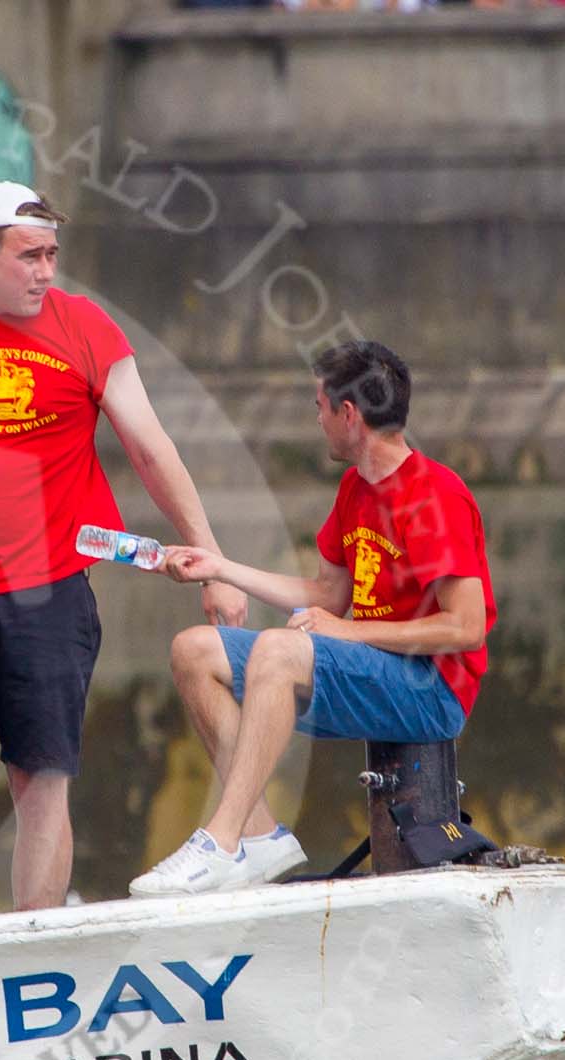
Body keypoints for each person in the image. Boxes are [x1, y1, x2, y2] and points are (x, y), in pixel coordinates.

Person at [0, 181, 247, 918]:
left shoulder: (85, 327)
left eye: (52, 254)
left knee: (39, 780)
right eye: (29, 256)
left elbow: (149, 447)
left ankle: (34, 944)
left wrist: (208, 557)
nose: (45, 272)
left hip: (48, 594)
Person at [131, 340, 494, 896]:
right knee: (196, 649)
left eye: (319, 406)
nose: (317, 419)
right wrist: (220, 568)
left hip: (431, 690)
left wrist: (346, 631)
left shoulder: (434, 496)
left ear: (349, 415)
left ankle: (220, 841)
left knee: (281, 649)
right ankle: (257, 836)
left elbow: (464, 629)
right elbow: (327, 594)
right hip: (373, 668)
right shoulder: (354, 489)